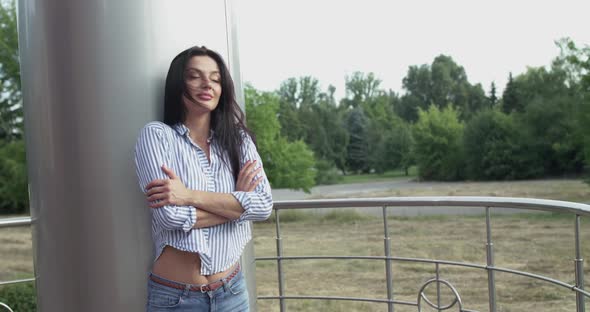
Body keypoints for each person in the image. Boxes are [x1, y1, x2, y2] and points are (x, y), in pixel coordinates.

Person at [134, 46, 273, 311]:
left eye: (216, 78)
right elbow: (169, 217)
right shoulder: (157, 136)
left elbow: (264, 206)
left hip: (232, 291)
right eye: (195, 76)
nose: (207, 83)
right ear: (178, 83)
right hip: (177, 298)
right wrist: (237, 205)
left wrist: (188, 195)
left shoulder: (238, 141)